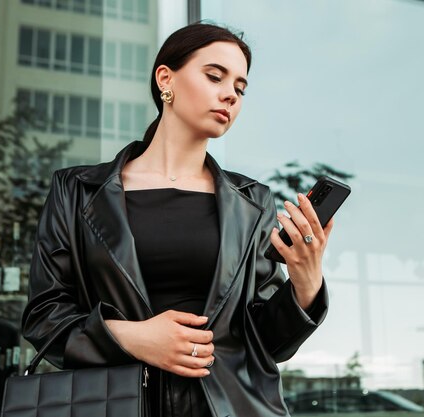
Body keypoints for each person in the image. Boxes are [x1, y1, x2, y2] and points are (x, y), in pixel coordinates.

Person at [21, 22, 332, 417]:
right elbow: (44, 318)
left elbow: (267, 342)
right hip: (114, 404)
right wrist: (133, 337)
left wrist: (306, 284)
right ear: (165, 78)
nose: (229, 95)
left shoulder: (252, 202)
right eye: (214, 76)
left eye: (240, 88)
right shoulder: (76, 189)